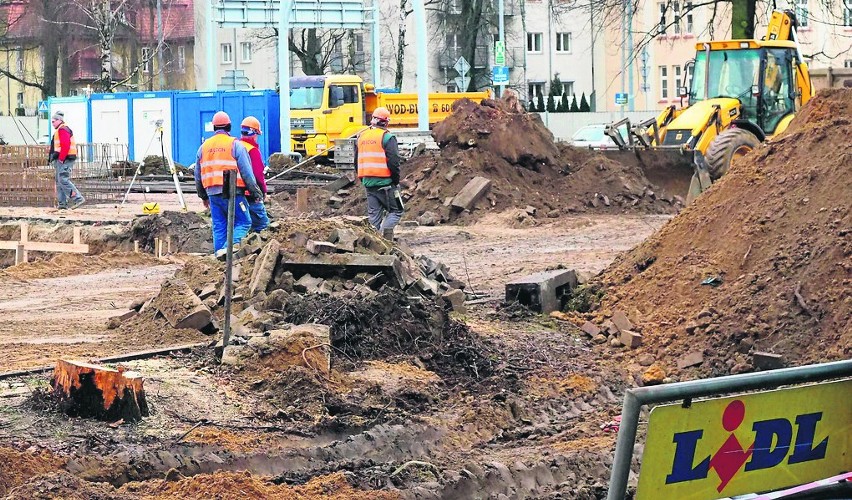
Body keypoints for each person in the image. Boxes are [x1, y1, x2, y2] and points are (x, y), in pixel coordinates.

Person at [194, 111, 264, 255]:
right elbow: (247, 173)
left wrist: (203, 197)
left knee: (219, 226)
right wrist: (256, 192)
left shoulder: (203, 147)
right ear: (229, 126)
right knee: (244, 222)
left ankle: (218, 257)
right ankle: (226, 251)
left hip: (212, 194)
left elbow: (198, 175)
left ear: (214, 127)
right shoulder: (235, 145)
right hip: (234, 193)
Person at [354, 106, 403, 241]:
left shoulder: (361, 137)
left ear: (372, 120)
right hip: (386, 183)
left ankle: (373, 244)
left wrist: (364, 178)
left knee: (374, 218)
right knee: (397, 210)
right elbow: (394, 162)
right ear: (386, 122)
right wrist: (395, 180)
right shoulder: (387, 137)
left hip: (369, 183)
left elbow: (356, 161)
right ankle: (384, 238)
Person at [238, 116, 270, 232]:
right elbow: (257, 175)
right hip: (251, 194)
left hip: (237, 194)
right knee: (263, 226)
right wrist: (263, 191)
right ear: (254, 133)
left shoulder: (236, 146)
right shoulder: (252, 150)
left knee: (241, 223)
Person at [49, 111, 85, 210]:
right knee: (59, 180)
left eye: (53, 121)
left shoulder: (63, 130)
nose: (52, 124)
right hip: (62, 158)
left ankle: (78, 198)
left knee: (63, 179)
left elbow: (65, 145)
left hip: (65, 159)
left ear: (59, 120)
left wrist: (61, 159)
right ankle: (62, 204)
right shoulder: (60, 130)